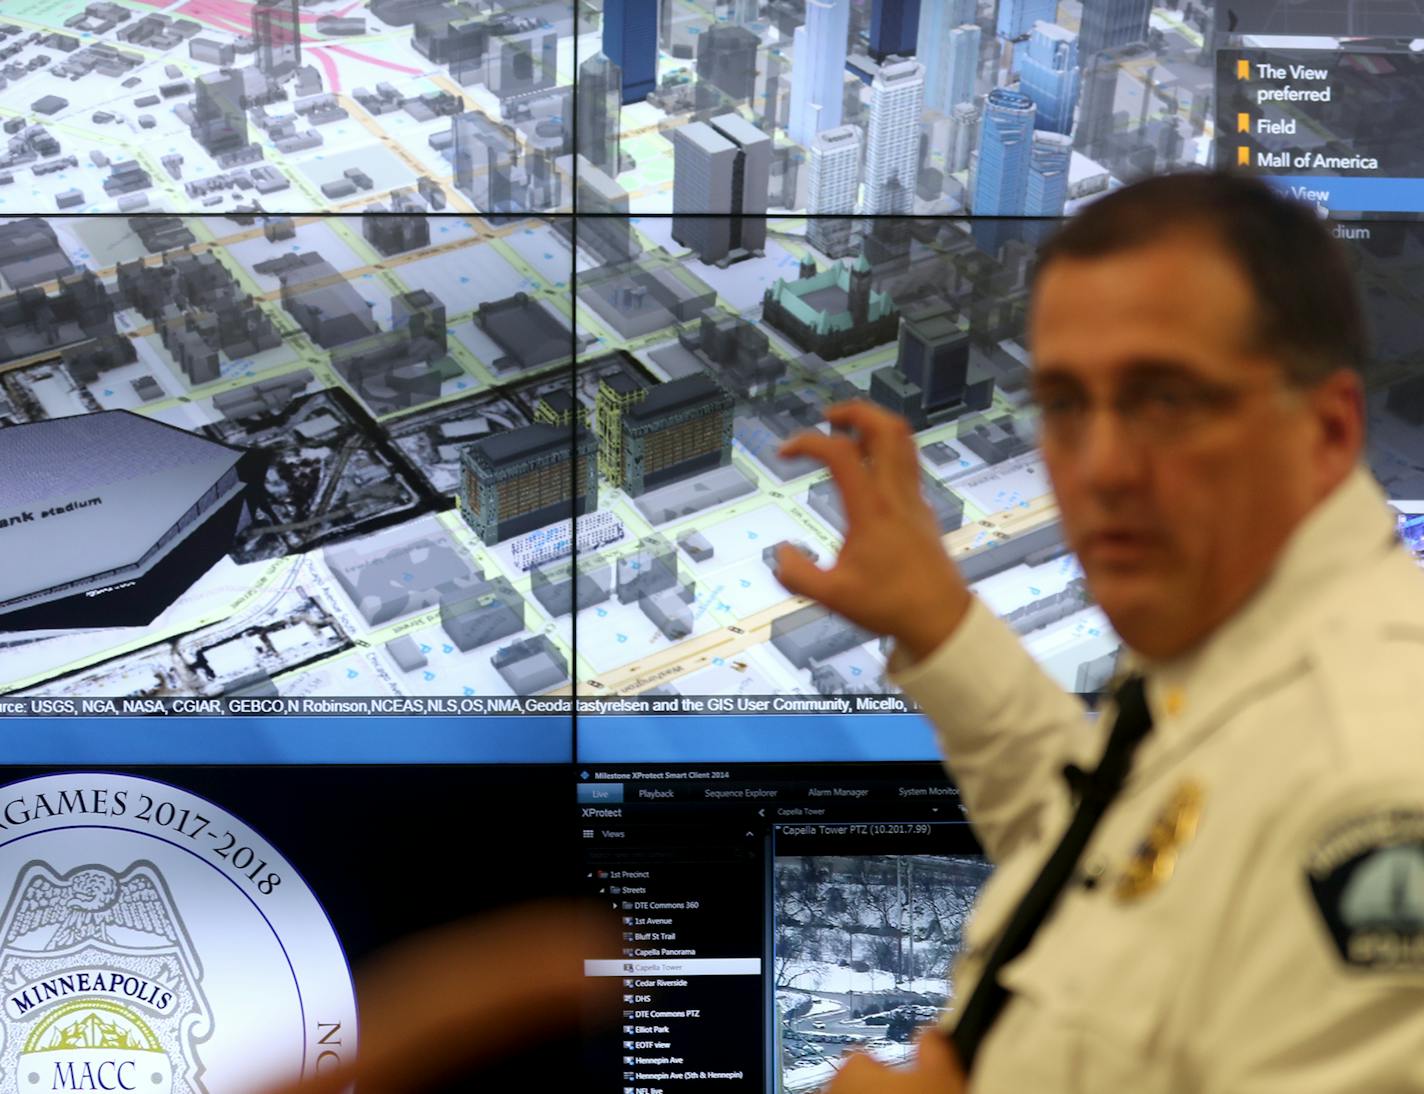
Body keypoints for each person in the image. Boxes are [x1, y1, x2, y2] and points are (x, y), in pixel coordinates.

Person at [776, 172, 1424, 1092]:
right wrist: (943, 627)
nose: (1103, 466)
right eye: (1068, 404)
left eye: (1167, 400)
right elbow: (1121, 865)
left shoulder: (1371, 779)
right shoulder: (1239, 631)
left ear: (1326, 429)